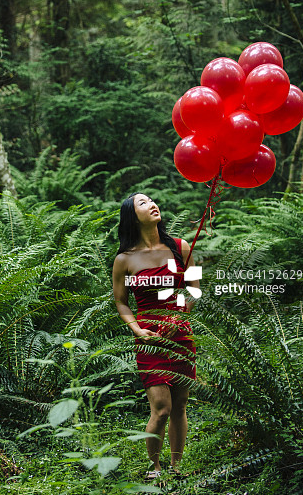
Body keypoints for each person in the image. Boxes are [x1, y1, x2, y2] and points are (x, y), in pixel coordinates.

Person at [112, 193, 198, 481]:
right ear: (132, 216)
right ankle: (154, 467)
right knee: (161, 408)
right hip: (149, 338)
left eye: (151, 200)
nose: (152, 204)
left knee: (180, 405)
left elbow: (194, 289)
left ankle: (175, 466)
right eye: (142, 203)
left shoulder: (180, 247)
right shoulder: (124, 260)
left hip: (180, 334)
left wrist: (179, 315)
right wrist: (136, 329)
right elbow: (122, 302)